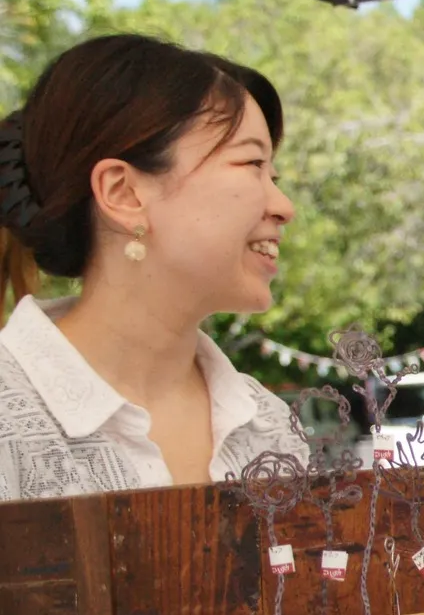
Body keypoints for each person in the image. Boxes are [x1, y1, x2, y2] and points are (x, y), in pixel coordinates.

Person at [0, 33, 307, 502]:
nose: (283, 206)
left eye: (274, 176)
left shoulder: (271, 426)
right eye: (251, 164)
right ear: (123, 193)